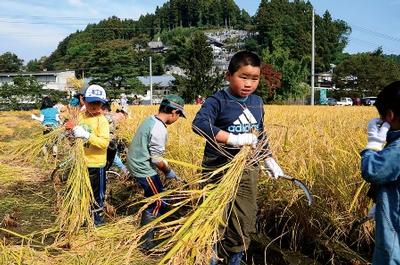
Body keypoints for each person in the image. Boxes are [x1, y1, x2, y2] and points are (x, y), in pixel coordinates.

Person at [192, 51, 285, 265]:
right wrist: (232, 139)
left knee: (244, 216)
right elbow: (199, 124)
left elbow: (259, 133)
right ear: (228, 75)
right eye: (243, 77)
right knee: (215, 216)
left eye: (254, 79)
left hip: (247, 168)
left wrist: (268, 158)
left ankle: (235, 258)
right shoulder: (218, 100)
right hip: (219, 167)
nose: (248, 84)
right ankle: (211, 258)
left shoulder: (257, 102)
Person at [126, 94, 186, 250]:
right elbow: (156, 159)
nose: (177, 119)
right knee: (159, 201)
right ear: (174, 112)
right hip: (142, 168)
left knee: (155, 196)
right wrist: (169, 172)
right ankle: (145, 243)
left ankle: (150, 232)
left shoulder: (151, 120)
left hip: (136, 163)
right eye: (179, 115)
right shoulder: (159, 128)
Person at [361, 80, 400, 265]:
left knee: (390, 254)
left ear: (390, 116)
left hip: (395, 222)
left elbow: (373, 170)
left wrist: (373, 145)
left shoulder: (398, 148)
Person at [71, 84, 110, 226]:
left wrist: (87, 135)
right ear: (84, 101)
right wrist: (71, 133)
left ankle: (97, 221)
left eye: (97, 103)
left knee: (97, 195)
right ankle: (83, 218)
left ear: (102, 104)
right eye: (91, 102)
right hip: (81, 163)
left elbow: (104, 143)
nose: (94, 106)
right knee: (82, 192)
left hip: (96, 164)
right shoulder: (79, 117)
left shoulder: (102, 121)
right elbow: (71, 134)